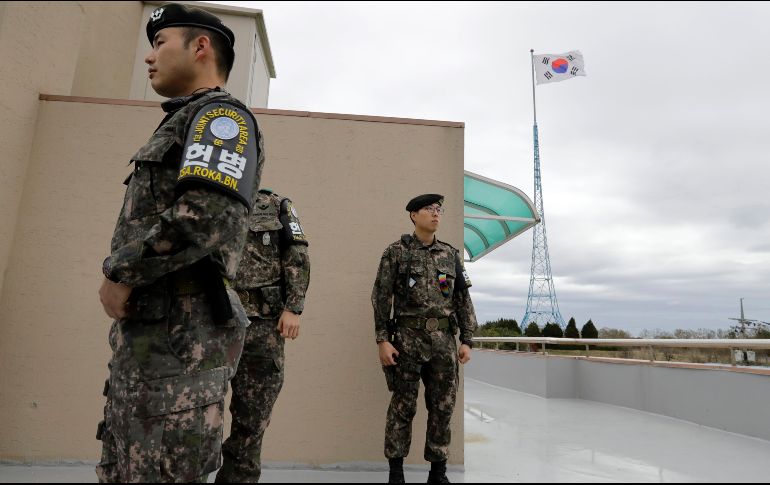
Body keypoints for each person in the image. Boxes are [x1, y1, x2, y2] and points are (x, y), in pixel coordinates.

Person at [95, 4, 265, 482]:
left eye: (160, 42)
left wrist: (121, 272)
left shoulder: (220, 119)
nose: (149, 57)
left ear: (201, 46)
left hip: (180, 342)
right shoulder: (183, 120)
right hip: (156, 337)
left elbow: (207, 215)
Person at [371, 194, 478, 484]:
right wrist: (383, 339)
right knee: (403, 407)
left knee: (443, 407)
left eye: (438, 210)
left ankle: (438, 473)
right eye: (429, 209)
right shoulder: (396, 252)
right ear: (413, 215)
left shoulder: (450, 255)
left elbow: (462, 299)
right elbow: (381, 297)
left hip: (443, 342)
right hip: (407, 340)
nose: (435, 214)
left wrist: (467, 339)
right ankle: (396, 473)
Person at [215, 189, 311, 483]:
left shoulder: (276, 205)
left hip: (262, 328)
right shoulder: (207, 198)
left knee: (252, 420)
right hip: (212, 323)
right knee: (197, 417)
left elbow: (297, 256)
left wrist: (293, 308)